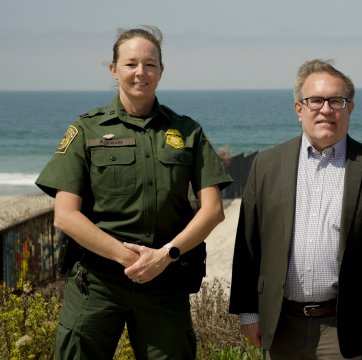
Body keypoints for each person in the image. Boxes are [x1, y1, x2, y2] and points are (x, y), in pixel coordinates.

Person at [35, 26, 232, 359]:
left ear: (161, 71)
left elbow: (212, 210)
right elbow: (65, 215)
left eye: (150, 64)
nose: (141, 72)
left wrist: (165, 256)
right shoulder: (86, 129)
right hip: (96, 284)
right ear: (114, 70)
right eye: (130, 64)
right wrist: (128, 257)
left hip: (164, 282)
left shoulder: (187, 131)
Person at [228, 59, 362, 359]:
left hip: (345, 329)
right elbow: (248, 244)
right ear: (299, 109)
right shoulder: (267, 165)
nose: (326, 109)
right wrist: (248, 312)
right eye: (315, 101)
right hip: (280, 324)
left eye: (336, 101)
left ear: (350, 108)